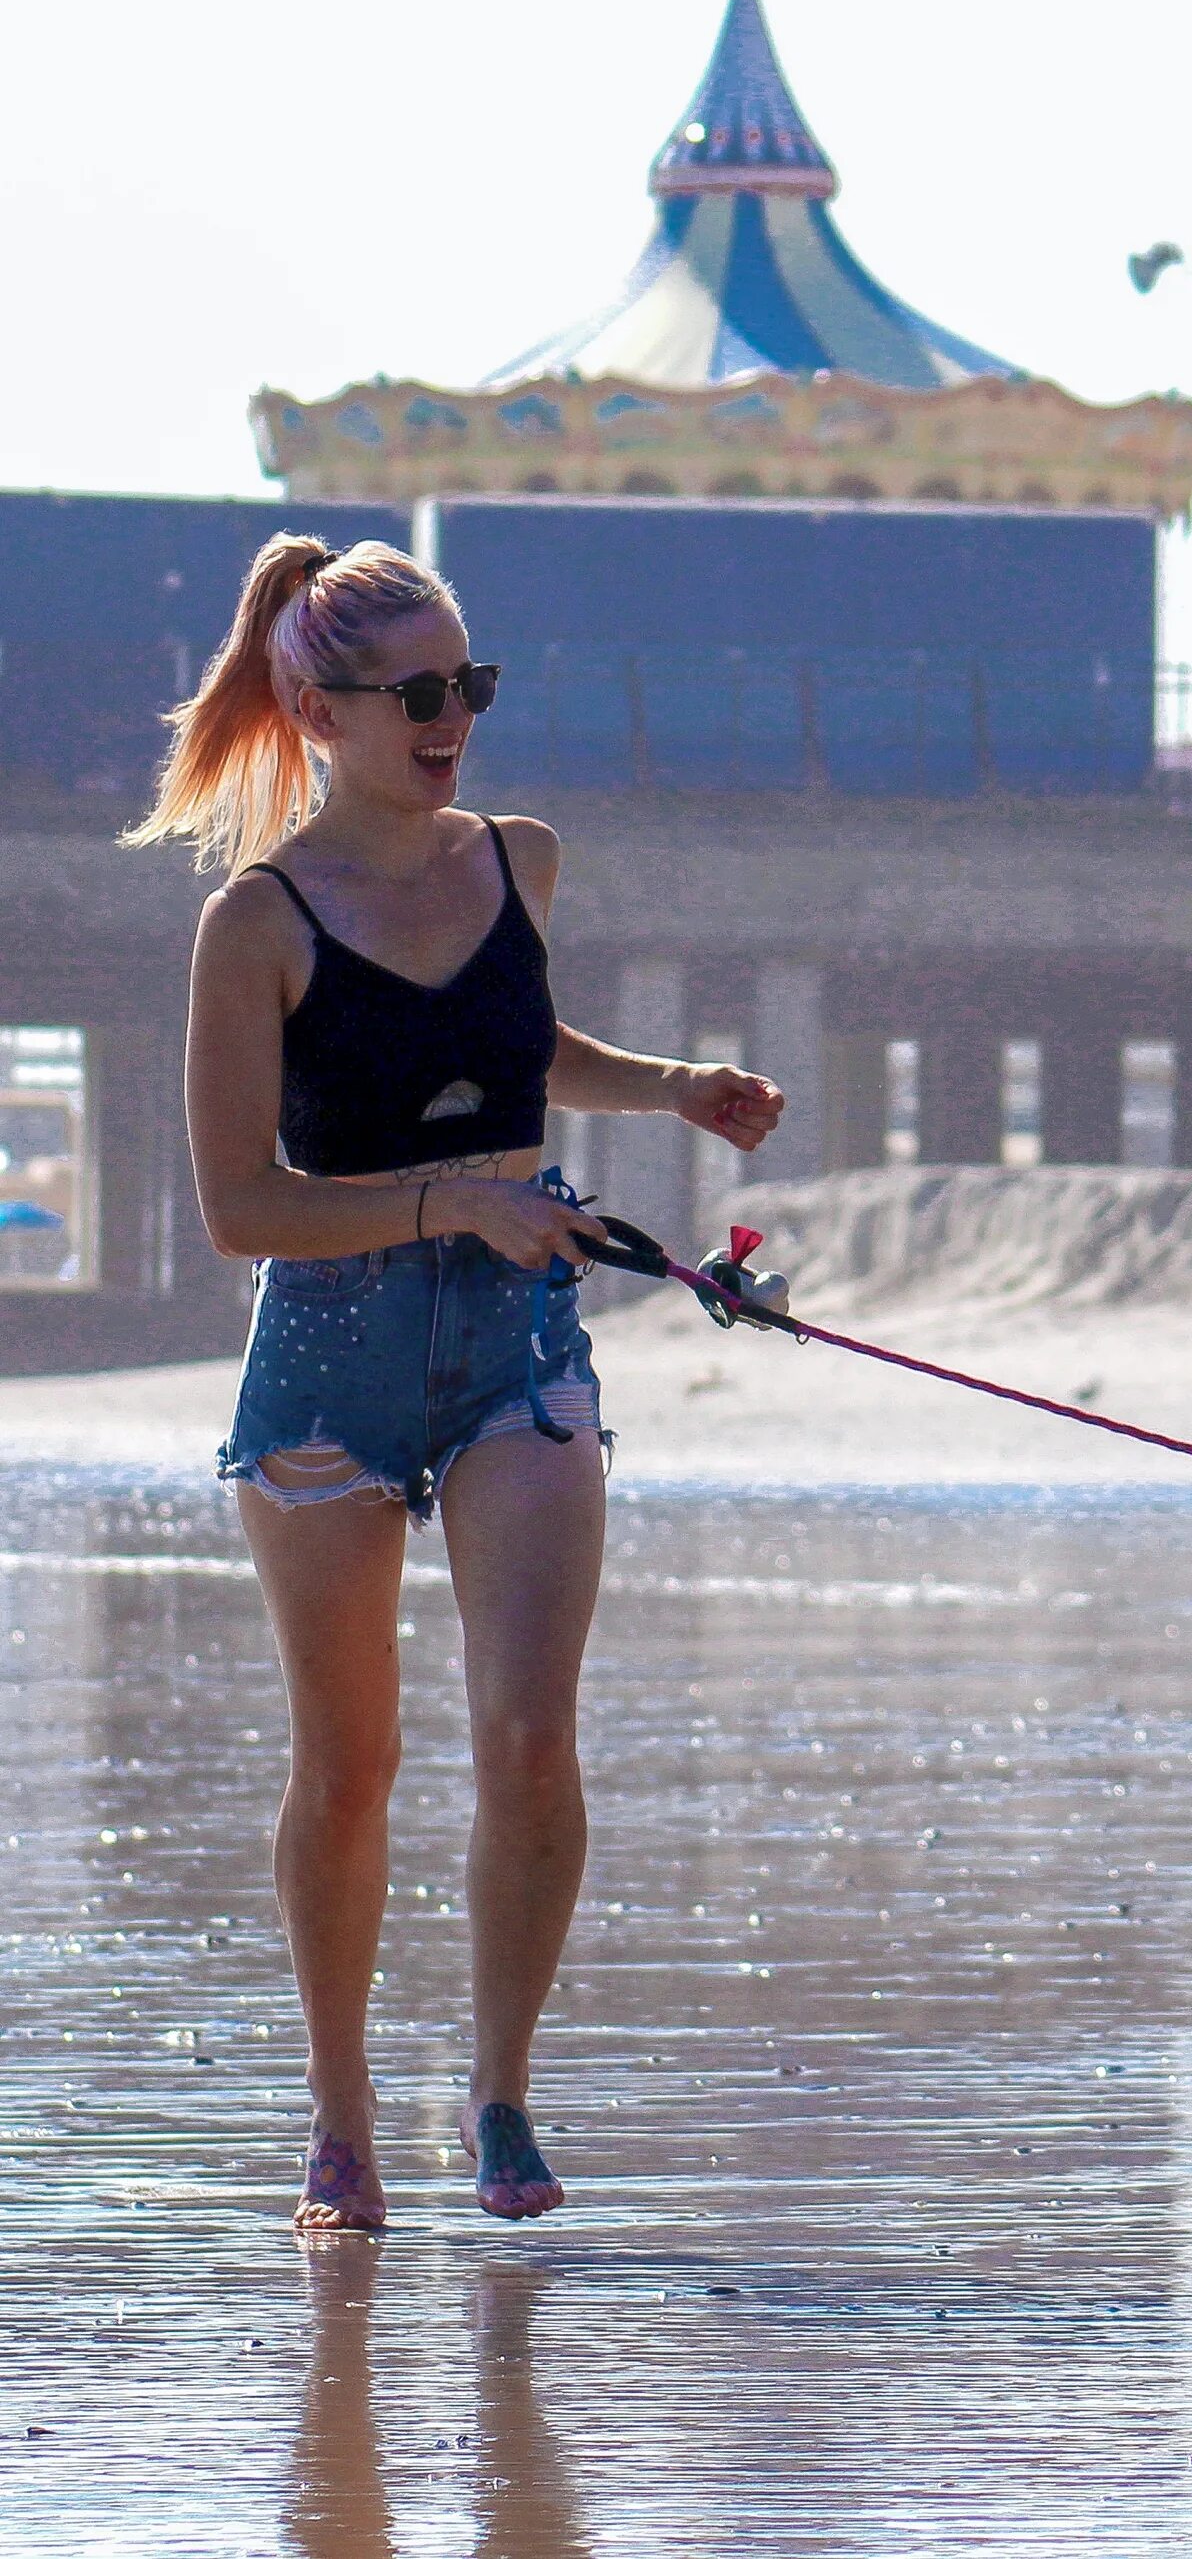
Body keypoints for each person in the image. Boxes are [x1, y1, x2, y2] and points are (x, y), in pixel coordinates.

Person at [126, 533, 784, 2228]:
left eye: (469, 686)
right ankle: (342, 2121)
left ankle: (498, 2095)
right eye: (418, 693)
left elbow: (516, 1039)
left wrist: (671, 1089)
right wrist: (452, 1200)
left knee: (528, 1735)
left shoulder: (521, 860)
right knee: (349, 1768)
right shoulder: (251, 925)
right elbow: (234, 1206)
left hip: (520, 1347)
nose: (452, 721)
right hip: (328, 1357)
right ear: (314, 706)